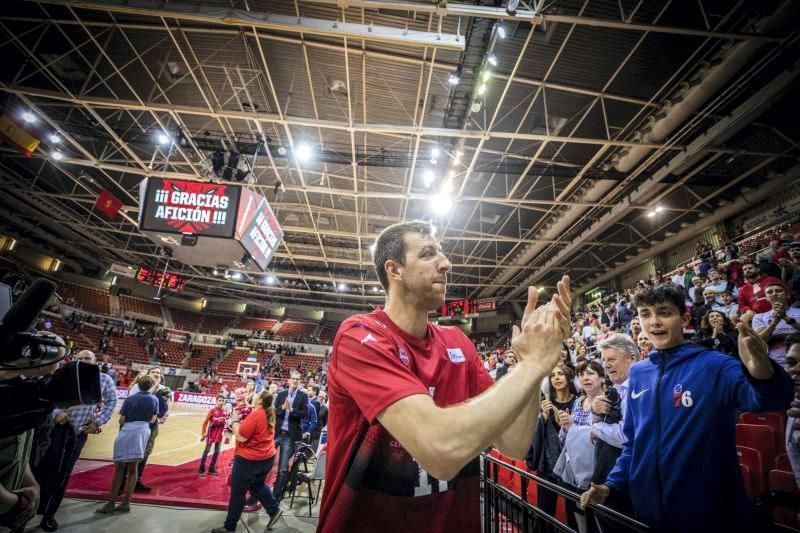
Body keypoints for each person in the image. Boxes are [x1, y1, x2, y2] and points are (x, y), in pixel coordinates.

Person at [318, 220, 571, 532]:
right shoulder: (360, 336)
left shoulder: (457, 342)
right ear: (394, 270)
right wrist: (531, 365)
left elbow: (514, 443)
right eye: (427, 254)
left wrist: (535, 366)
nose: (447, 264)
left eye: (442, 253)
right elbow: (440, 451)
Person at [580, 283, 793, 532]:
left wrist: (761, 370)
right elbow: (633, 443)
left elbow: (771, 399)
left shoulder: (715, 365)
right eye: (646, 314)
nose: (655, 322)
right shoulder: (638, 372)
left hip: (709, 516)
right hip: (648, 514)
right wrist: (612, 484)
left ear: (685, 318)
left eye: (665, 312)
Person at [34, 350, 117, 532]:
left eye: (88, 358)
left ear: (95, 361)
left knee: (64, 473)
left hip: (79, 432)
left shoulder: (104, 379)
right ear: (74, 361)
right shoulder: (64, 374)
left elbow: (112, 402)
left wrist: (97, 422)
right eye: (80, 358)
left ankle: (49, 514)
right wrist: (56, 413)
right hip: (55, 429)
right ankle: (38, 505)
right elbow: (50, 398)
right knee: (46, 468)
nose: (84, 361)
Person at [211, 390, 283, 533]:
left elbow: (242, 437)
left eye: (257, 395)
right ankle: (274, 510)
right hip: (266, 457)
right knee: (257, 485)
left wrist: (235, 421)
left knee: (238, 493)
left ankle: (229, 527)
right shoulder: (269, 412)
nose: (254, 396)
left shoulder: (257, 415)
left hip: (250, 460)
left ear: (260, 401)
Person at [97, 375, 158, 515]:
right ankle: (126, 503)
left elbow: (122, 419)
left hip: (128, 430)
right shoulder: (154, 399)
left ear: (138, 385)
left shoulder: (130, 399)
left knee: (119, 468)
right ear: (150, 386)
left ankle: (111, 503)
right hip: (143, 431)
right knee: (133, 469)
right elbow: (153, 419)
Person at [527, 363, 578, 531]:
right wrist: (543, 416)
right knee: (544, 511)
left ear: (569, 378)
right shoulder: (544, 404)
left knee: (574, 514)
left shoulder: (579, 403)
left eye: (561, 374)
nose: (557, 377)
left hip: (573, 466)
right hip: (549, 464)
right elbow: (534, 437)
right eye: (553, 375)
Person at [273, 371, 308, 499]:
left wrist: (292, 410)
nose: (294, 380)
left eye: (297, 379)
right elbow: (274, 412)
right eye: (293, 378)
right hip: (277, 433)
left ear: (299, 381)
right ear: (289, 380)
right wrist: (282, 407)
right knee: (264, 464)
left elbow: (305, 414)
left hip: (289, 436)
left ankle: (276, 496)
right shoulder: (281, 394)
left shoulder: (303, 396)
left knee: (282, 468)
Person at [751, 281, 800, 365]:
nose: (774, 294)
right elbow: (761, 341)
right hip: (776, 364)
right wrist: (774, 322)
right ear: (766, 298)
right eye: (770, 292)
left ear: (787, 295)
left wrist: (787, 319)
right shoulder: (758, 317)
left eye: (778, 291)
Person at [199, 395, 227, 476]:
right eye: (220, 400)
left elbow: (226, 423)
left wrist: (228, 434)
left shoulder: (225, 411)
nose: (221, 402)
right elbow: (205, 423)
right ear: (216, 401)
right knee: (207, 451)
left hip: (219, 435)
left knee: (217, 451)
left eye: (223, 401)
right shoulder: (212, 410)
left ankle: (211, 468)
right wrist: (203, 433)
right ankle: (201, 468)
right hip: (211, 434)